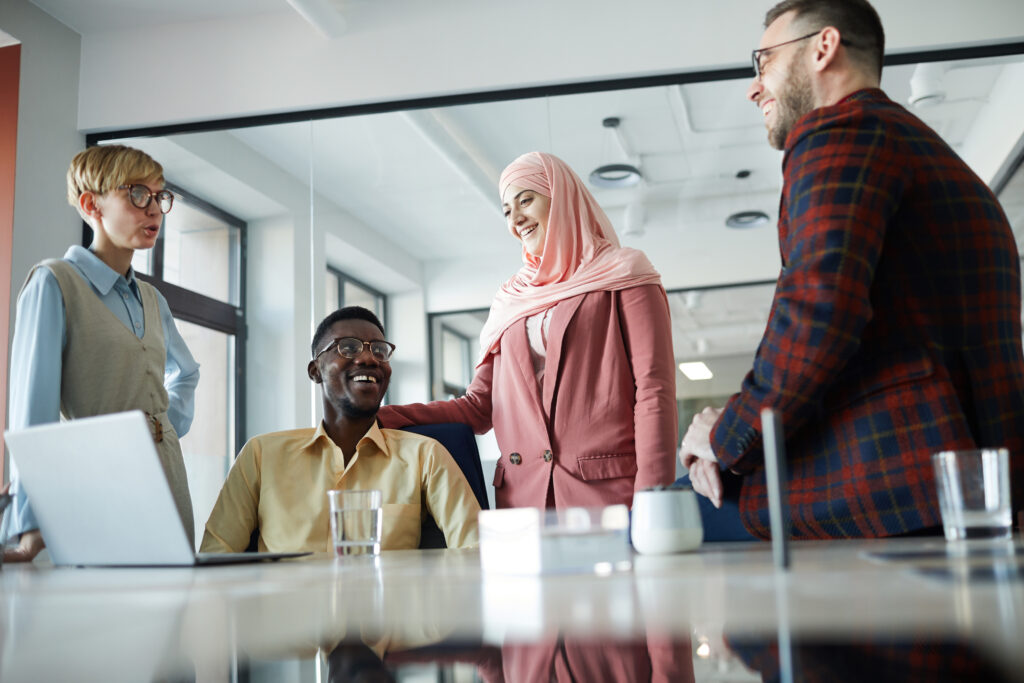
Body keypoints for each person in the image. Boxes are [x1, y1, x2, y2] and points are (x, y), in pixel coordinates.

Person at [679, 0, 1024, 539]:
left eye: (763, 61)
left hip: (900, 473)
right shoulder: (925, 151)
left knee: (660, 521)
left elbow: (817, 314)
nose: (753, 87)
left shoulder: (836, 133)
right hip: (978, 476)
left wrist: (726, 438)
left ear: (823, 47)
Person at [378, 151, 677, 510]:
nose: (516, 219)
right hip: (522, 501)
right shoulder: (511, 299)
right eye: (507, 210)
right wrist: (380, 417)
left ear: (561, 197)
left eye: (526, 200)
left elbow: (653, 390)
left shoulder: (625, 275)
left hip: (610, 495)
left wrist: (653, 498)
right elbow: (476, 408)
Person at [3, 144, 201, 561]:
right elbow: (31, 420)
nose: (154, 210)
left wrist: (162, 427)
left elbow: (186, 373)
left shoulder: (152, 298)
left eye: (159, 196)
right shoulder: (53, 283)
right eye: (138, 194)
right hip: (96, 485)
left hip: (169, 481)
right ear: (91, 204)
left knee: (175, 613)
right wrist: (29, 521)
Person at [200, 306, 480, 553]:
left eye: (379, 350)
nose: (369, 358)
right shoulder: (261, 455)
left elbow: (476, 552)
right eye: (348, 347)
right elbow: (216, 557)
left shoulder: (425, 456)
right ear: (315, 371)